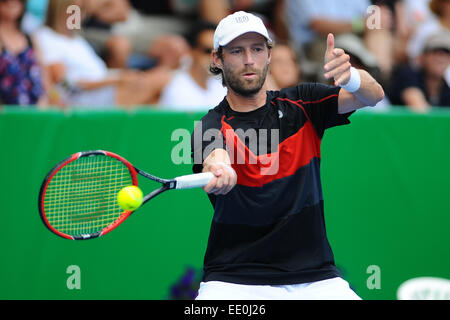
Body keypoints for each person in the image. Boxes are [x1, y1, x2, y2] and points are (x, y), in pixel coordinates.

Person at [191, 11, 384, 300]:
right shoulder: (209, 125)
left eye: (257, 49)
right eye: (236, 51)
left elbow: (374, 95)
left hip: (317, 279)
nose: (248, 60)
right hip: (233, 280)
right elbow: (214, 156)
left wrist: (352, 77)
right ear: (217, 59)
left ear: (268, 55)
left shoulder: (303, 103)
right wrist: (220, 167)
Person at [159, 21, 227, 111]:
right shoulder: (175, 88)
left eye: (218, 52)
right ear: (191, 51)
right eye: (207, 51)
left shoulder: (223, 88)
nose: (214, 58)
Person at [389, 31, 450, 111]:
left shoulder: (446, 88)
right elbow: (419, 108)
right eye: (435, 52)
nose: (440, 58)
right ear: (422, 57)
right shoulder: (408, 75)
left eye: (446, 53)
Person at [0, 0, 46, 106]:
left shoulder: (31, 38)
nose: (13, 3)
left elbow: (44, 75)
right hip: (7, 113)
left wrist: (44, 101)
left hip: (35, 111)